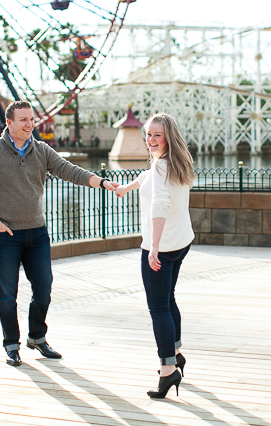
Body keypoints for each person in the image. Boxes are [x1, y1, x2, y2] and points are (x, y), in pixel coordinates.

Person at [0, 100, 117, 366]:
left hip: (37, 233)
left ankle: (37, 337)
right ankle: (11, 344)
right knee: (7, 294)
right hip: (7, 236)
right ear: (9, 123)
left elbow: (69, 170)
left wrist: (102, 182)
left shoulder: (41, 150)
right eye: (23, 120)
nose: (29, 125)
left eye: (32, 120)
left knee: (44, 289)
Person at [114, 113, 195, 398]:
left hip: (161, 247)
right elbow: (149, 178)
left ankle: (168, 371)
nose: (150, 140)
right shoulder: (178, 162)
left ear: (168, 137)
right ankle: (176, 353)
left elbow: (159, 204)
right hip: (181, 242)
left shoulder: (162, 166)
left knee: (158, 309)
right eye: (148, 134)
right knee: (168, 299)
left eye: (156, 135)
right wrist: (127, 187)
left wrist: (154, 247)